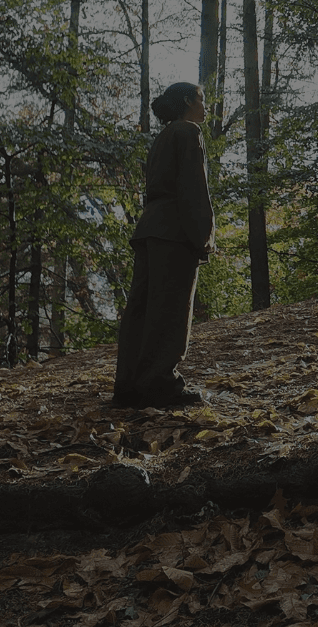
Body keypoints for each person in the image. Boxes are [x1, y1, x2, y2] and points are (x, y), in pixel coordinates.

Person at [112, 82, 212, 407]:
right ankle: (160, 385)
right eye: (202, 99)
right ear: (187, 101)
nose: (205, 105)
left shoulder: (163, 137)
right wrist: (203, 237)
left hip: (149, 230)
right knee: (170, 309)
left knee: (141, 309)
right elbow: (193, 189)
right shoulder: (188, 132)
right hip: (175, 231)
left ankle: (129, 386)